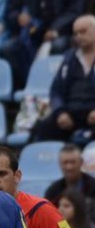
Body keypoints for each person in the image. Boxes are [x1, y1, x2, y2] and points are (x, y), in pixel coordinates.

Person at [31, 14, 95, 143]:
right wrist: (60, 112)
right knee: (43, 127)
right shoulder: (69, 58)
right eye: (75, 33)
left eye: (83, 31)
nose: (79, 36)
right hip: (71, 112)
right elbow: (55, 91)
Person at [45, 144, 95, 208]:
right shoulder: (53, 191)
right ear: (60, 164)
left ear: (81, 162)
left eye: (73, 162)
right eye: (65, 162)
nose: (69, 167)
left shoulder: (93, 187)